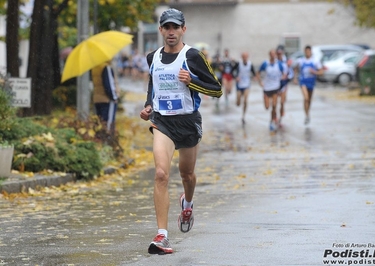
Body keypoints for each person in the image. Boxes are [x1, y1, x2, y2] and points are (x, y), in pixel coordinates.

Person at [139, 8, 222, 255]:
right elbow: (153, 85)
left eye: (176, 27)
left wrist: (192, 82)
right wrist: (148, 106)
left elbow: (217, 89)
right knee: (162, 174)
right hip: (163, 122)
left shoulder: (193, 56)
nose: (171, 31)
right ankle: (162, 236)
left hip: (188, 123)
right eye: (167, 27)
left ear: (183, 29)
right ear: (161, 30)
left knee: (187, 174)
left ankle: (187, 203)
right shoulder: (152, 56)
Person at [293, 45, 324, 125]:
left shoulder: (315, 61)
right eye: (306, 51)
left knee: (309, 100)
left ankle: (307, 113)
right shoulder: (300, 61)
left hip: (311, 82)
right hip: (303, 82)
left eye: (309, 51)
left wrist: (314, 72)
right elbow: (295, 69)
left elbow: (321, 72)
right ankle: (306, 115)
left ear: (311, 52)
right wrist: (295, 78)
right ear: (304, 52)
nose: (307, 53)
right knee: (306, 98)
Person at [257, 49, 287, 131]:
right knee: (267, 107)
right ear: (269, 55)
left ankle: (271, 121)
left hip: (275, 87)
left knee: (274, 106)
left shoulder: (279, 64)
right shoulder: (265, 63)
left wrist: (283, 77)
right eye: (272, 54)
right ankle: (272, 118)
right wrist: (260, 82)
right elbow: (258, 72)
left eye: (274, 54)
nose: (273, 55)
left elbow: (284, 73)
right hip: (267, 88)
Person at [92, 60, 119, 135]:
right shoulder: (106, 67)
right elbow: (109, 84)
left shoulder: (95, 68)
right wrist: (114, 97)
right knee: (108, 123)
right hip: (107, 99)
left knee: (100, 122)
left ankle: (100, 140)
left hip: (97, 98)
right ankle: (107, 141)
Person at [231, 52, 257, 124]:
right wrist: (235, 77)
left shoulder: (250, 64)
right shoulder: (238, 63)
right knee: (238, 103)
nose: (245, 58)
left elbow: (254, 73)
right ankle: (238, 101)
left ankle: (243, 116)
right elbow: (231, 71)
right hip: (239, 85)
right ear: (242, 57)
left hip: (247, 85)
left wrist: (255, 77)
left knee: (245, 101)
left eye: (246, 57)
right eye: (243, 57)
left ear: (248, 57)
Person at [277, 47, 294, 126]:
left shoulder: (287, 61)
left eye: (280, 53)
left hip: (284, 84)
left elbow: (291, 73)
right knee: (274, 102)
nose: (279, 54)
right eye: (278, 53)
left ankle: (280, 118)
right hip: (275, 85)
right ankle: (274, 117)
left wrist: (287, 77)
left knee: (282, 102)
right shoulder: (274, 61)